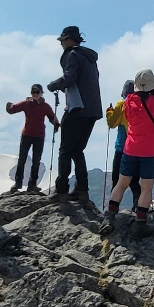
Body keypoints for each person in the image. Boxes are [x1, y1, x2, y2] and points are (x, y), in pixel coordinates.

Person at [101, 68, 154, 236]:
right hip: (149, 151)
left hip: (130, 148)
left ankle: (109, 218)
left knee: (121, 183)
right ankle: (140, 224)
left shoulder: (128, 101)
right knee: (146, 188)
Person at [45, 25, 101, 199]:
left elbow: (70, 77)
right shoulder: (90, 58)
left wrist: (54, 85)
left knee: (65, 149)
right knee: (78, 150)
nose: (61, 43)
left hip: (77, 108)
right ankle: (82, 189)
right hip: (93, 110)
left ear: (68, 39)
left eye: (62, 40)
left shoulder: (72, 54)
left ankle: (61, 190)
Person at [5, 84, 59, 192]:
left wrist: (56, 124)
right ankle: (18, 183)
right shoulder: (26, 104)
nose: (35, 94)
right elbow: (14, 109)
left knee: (36, 161)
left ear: (41, 93)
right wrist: (9, 107)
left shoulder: (45, 106)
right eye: (33, 92)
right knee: (22, 159)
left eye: (37, 92)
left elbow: (52, 117)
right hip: (28, 135)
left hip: (38, 136)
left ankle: (32, 185)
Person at [105, 79, 140, 205]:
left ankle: (113, 208)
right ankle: (138, 206)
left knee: (116, 180)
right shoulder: (141, 104)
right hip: (136, 149)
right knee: (134, 181)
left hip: (122, 147)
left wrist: (109, 112)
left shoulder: (122, 103)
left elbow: (112, 123)